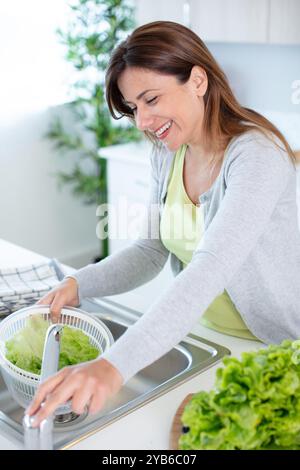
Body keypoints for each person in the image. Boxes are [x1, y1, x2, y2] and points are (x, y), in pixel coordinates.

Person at [26, 21, 299, 427]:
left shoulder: (256, 156)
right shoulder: (168, 154)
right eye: (134, 108)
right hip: (208, 340)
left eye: (151, 99)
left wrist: (112, 367)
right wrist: (79, 284)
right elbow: (150, 251)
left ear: (198, 81)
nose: (142, 121)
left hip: (276, 348)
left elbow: (211, 266)